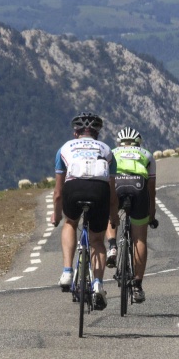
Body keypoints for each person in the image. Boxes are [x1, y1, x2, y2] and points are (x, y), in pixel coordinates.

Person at [51, 112, 119, 311]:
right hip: (99, 191)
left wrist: (56, 216)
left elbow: (57, 192)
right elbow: (113, 193)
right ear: (97, 133)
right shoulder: (107, 149)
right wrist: (113, 216)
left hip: (74, 189)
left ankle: (67, 272)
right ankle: (98, 283)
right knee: (97, 241)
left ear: (75, 133)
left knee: (70, 223)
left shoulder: (64, 148)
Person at [104, 127, 157, 303]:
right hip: (138, 185)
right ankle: (137, 285)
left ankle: (112, 246)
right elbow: (151, 189)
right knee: (140, 238)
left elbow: (105, 179)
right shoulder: (147, 154)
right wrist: (151, 213)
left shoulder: (112, 152)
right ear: (138, 142)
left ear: (119, 142)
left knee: (110, 215)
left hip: (117, 185)